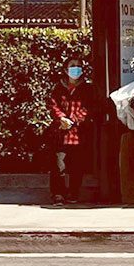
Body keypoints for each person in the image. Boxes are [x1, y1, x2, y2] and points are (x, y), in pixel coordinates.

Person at [47, 56, 94, 205]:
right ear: (65, 69)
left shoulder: (88, 89)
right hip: (60, 132)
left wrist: (73, 120)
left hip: (79, 133)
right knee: (58, 165)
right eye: (73, 66)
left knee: (77, 166)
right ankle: (58, 193)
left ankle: (73, 192)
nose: (76, 69)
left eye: (79, 66)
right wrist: (61, 118)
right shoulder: (58, 88)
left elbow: (89, 107)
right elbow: (53, 105)